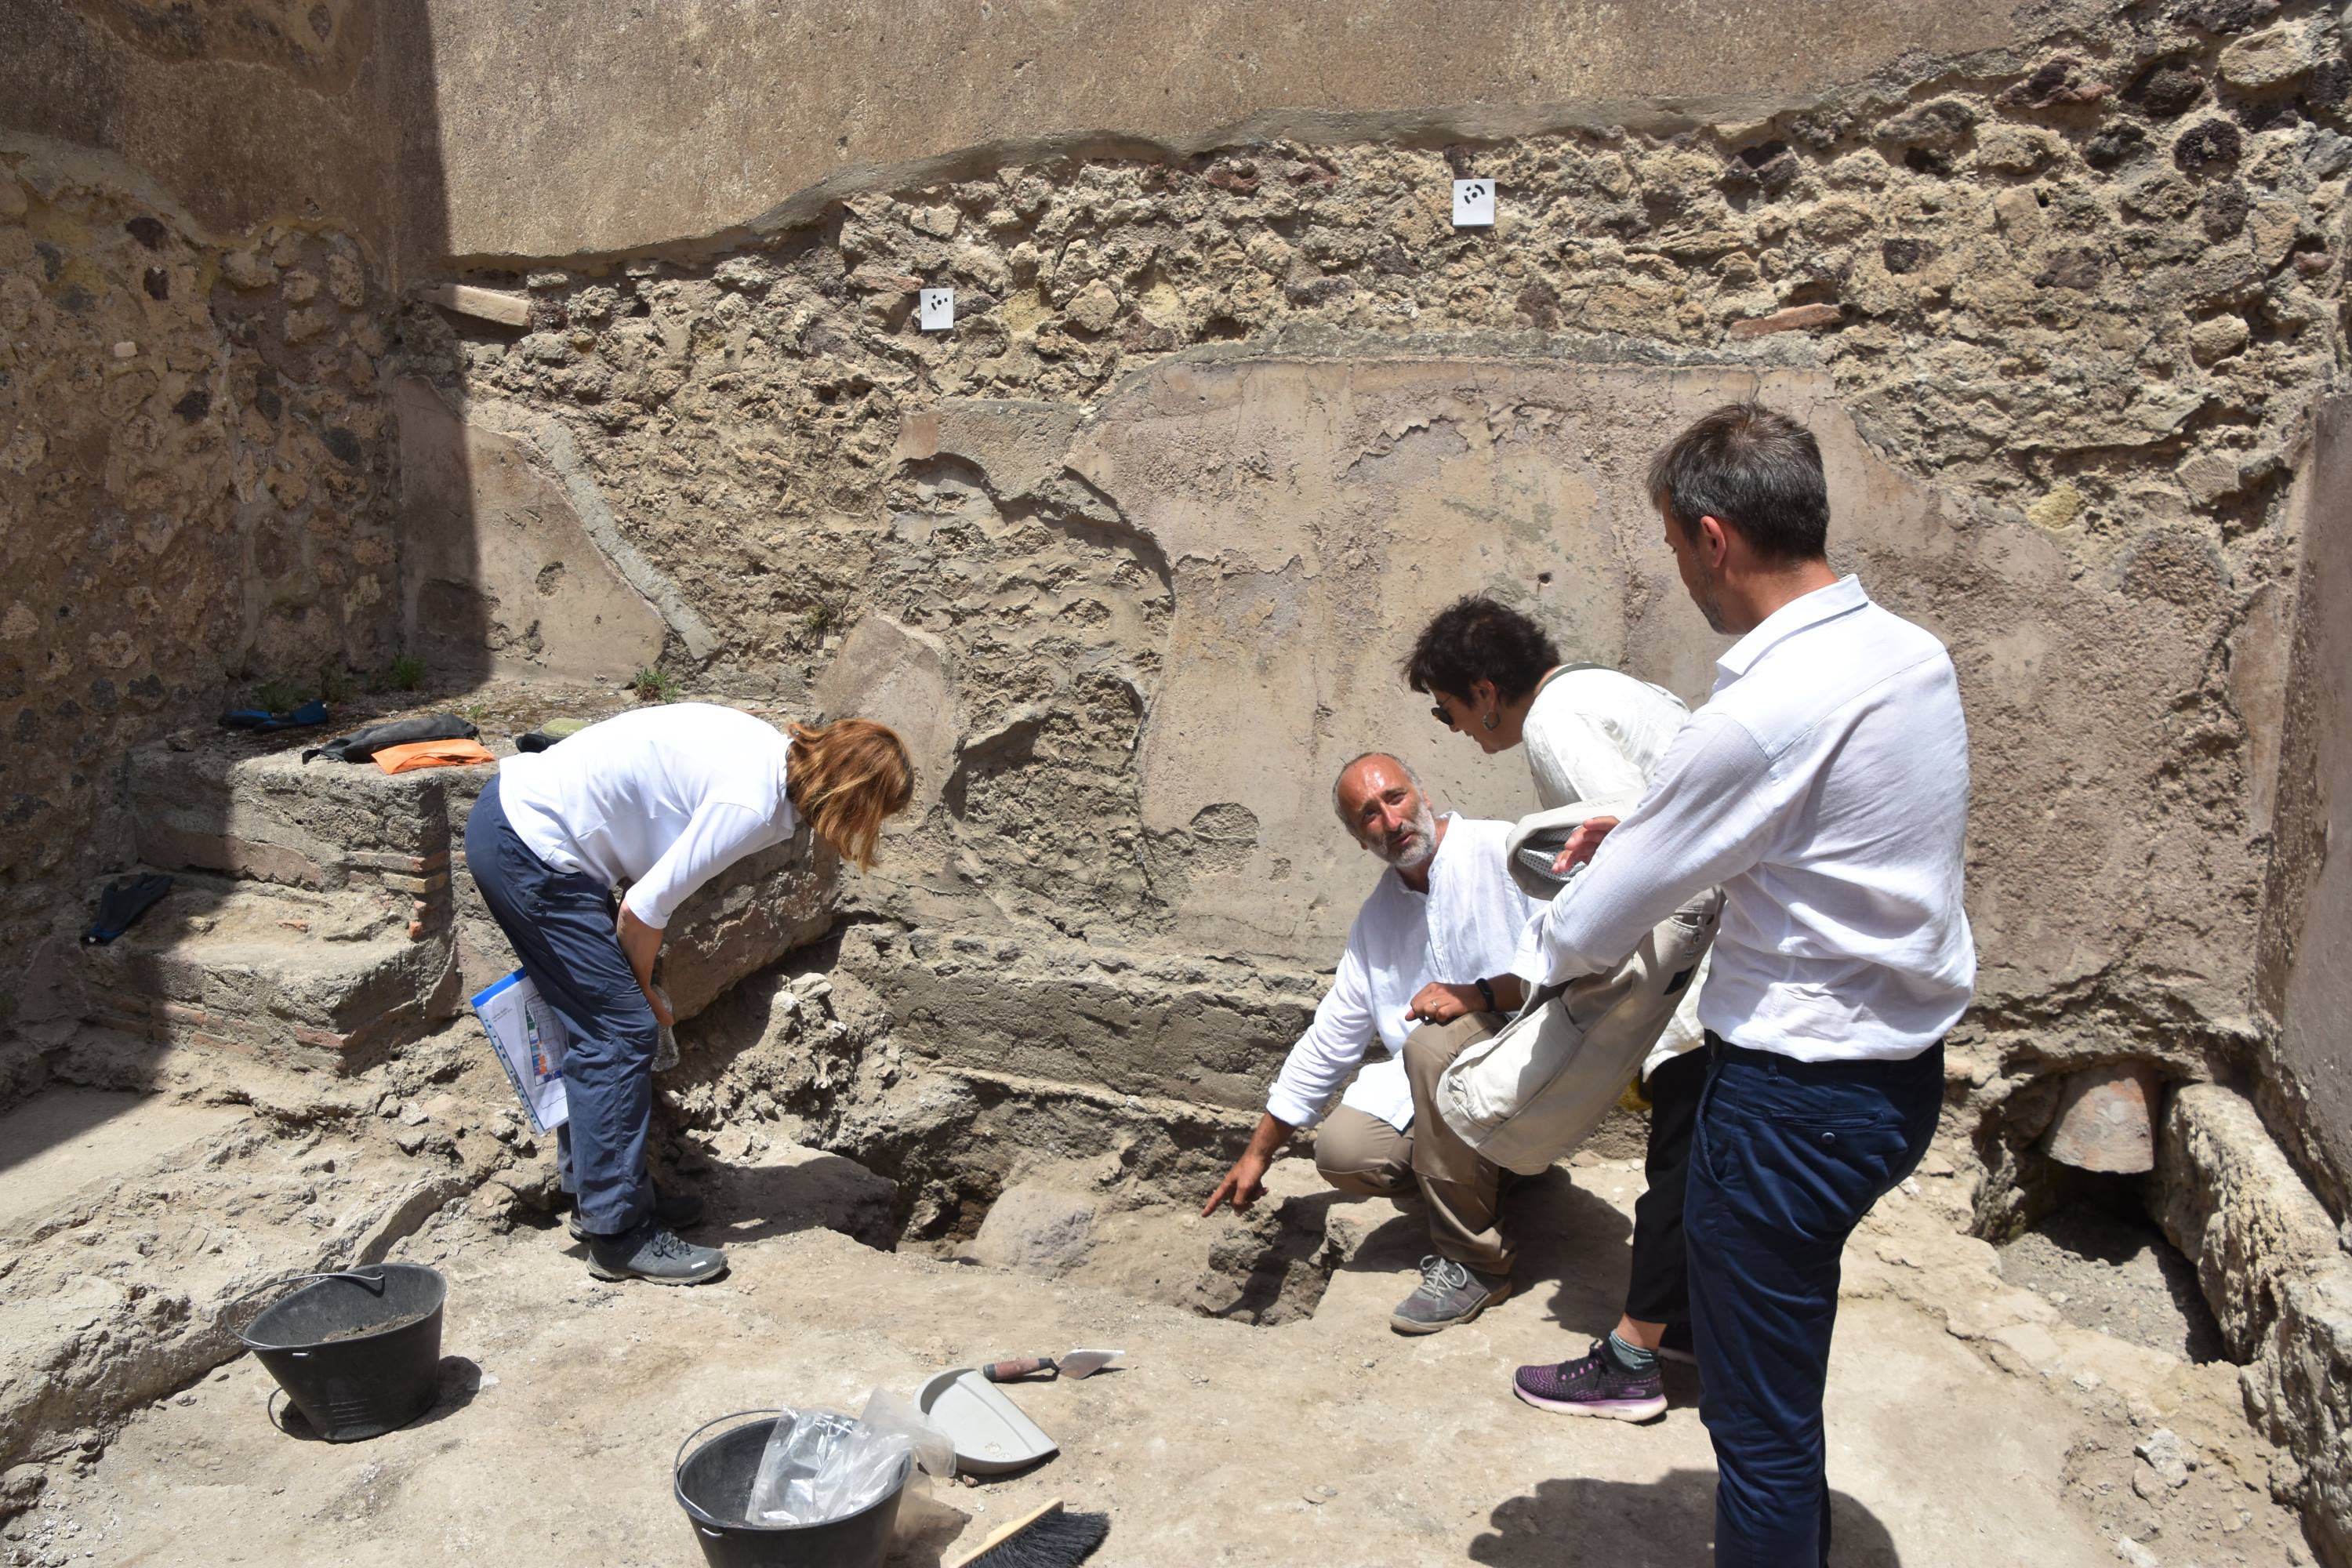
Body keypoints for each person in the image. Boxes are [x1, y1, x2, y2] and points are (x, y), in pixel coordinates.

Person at [1526, 403, 1974, 1566]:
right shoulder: (1907, 655)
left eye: (1675, 549)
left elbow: (1586, 929)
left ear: (1713, 539)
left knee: (1757, 1424)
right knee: (1783, 1369)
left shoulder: (1757, 716)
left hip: (1789, 1106)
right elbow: (1831, 825)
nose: (1681, 572)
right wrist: (1667, 822)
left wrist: (1596, 870)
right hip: (1896, 1083)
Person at [464, 702, 913, 1285]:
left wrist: (636, 987)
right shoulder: (751, 803)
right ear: (852, 794)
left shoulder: (768, 760)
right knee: (619, 1028)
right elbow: (642, 909)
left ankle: (599, 1197)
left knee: (602, 1022)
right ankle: (618, 1236)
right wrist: (645, 997)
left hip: (528, 831)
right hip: (531, 847)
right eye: (871, 812)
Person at [1404, 596, 1706, 1421]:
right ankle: (1681, 1329)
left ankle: (1633, 1362)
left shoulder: (1556, 724)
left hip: (1696, 988)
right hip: (1725, 970)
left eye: (1449, 707)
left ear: (1486, 690)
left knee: (1681, 1174)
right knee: (1696, 1169)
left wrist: (1573, 976)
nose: (1455, 727)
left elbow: (1635, 869)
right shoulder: (1616, 695)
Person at [1201, 752, 1541, 1333]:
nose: (1390, 821)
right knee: (1343, 1152)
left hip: (1535, 1068)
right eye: (1368, 816)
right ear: (1360, 840)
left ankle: (1476, 1263)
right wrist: (1259, 1151)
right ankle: (1497, 1182)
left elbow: (1574, 962)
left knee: (1431, 1046)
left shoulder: (1502, 852)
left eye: (1396, 799)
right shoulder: (1378, 917)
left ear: (1423, 796)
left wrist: (1480, 994)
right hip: (1441, 1089)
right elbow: (1331, 1036)